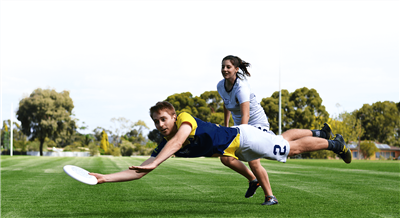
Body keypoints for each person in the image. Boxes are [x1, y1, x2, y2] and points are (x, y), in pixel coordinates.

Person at [90, 101, 352, 206]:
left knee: (290, 149)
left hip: (244, 138)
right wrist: (105, 178)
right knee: (282, 140)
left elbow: (179, 142)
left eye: (163, 119)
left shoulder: (184, 119)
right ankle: (319, 134)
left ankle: (335, 145)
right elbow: (137, 172)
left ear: (172, 115)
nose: (160, 125)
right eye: (156, 122)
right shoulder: (163, 143)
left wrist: (157, 162)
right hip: (236, 144)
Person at [217, 55, 276, 204]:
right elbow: (226, 103)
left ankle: (270, 197)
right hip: (240, 125)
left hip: (256, 124)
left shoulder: (241, 87)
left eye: (228, 67)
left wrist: (242, 134)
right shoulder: (220, 86)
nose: (224, 69)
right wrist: (226, 126)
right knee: (225, 157)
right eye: (223, 66)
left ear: (236, 69)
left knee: (254, 162)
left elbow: (246, 114)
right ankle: (253, 180)